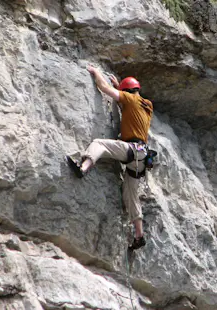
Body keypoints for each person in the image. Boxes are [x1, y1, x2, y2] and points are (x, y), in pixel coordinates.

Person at [66, 65, 153, 250]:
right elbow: (128, 109)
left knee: (100, 144)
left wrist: (96, 73)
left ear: (127, 91)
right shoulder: (147, 105)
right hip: (141, 158)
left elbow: (104, 88)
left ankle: (83, 167)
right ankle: (139, 235)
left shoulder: (129, 99)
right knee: (131, 195)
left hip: (129, 149)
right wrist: (119, 89)